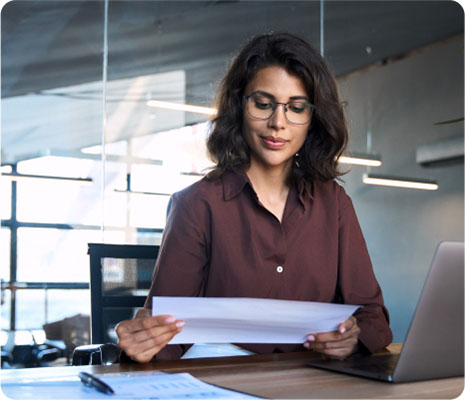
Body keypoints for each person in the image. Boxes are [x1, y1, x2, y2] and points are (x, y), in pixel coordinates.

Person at [116, 32, 392, 362]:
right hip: (225, 381)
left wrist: (352, 339)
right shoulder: (196, 205)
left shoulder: (334, 204)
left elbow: (374, 319)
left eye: (297, 108)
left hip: (316, 384)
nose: (278, 123)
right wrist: (143, 343)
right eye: (263, 104)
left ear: (312, 119)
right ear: (239, 107)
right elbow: (165, 337)